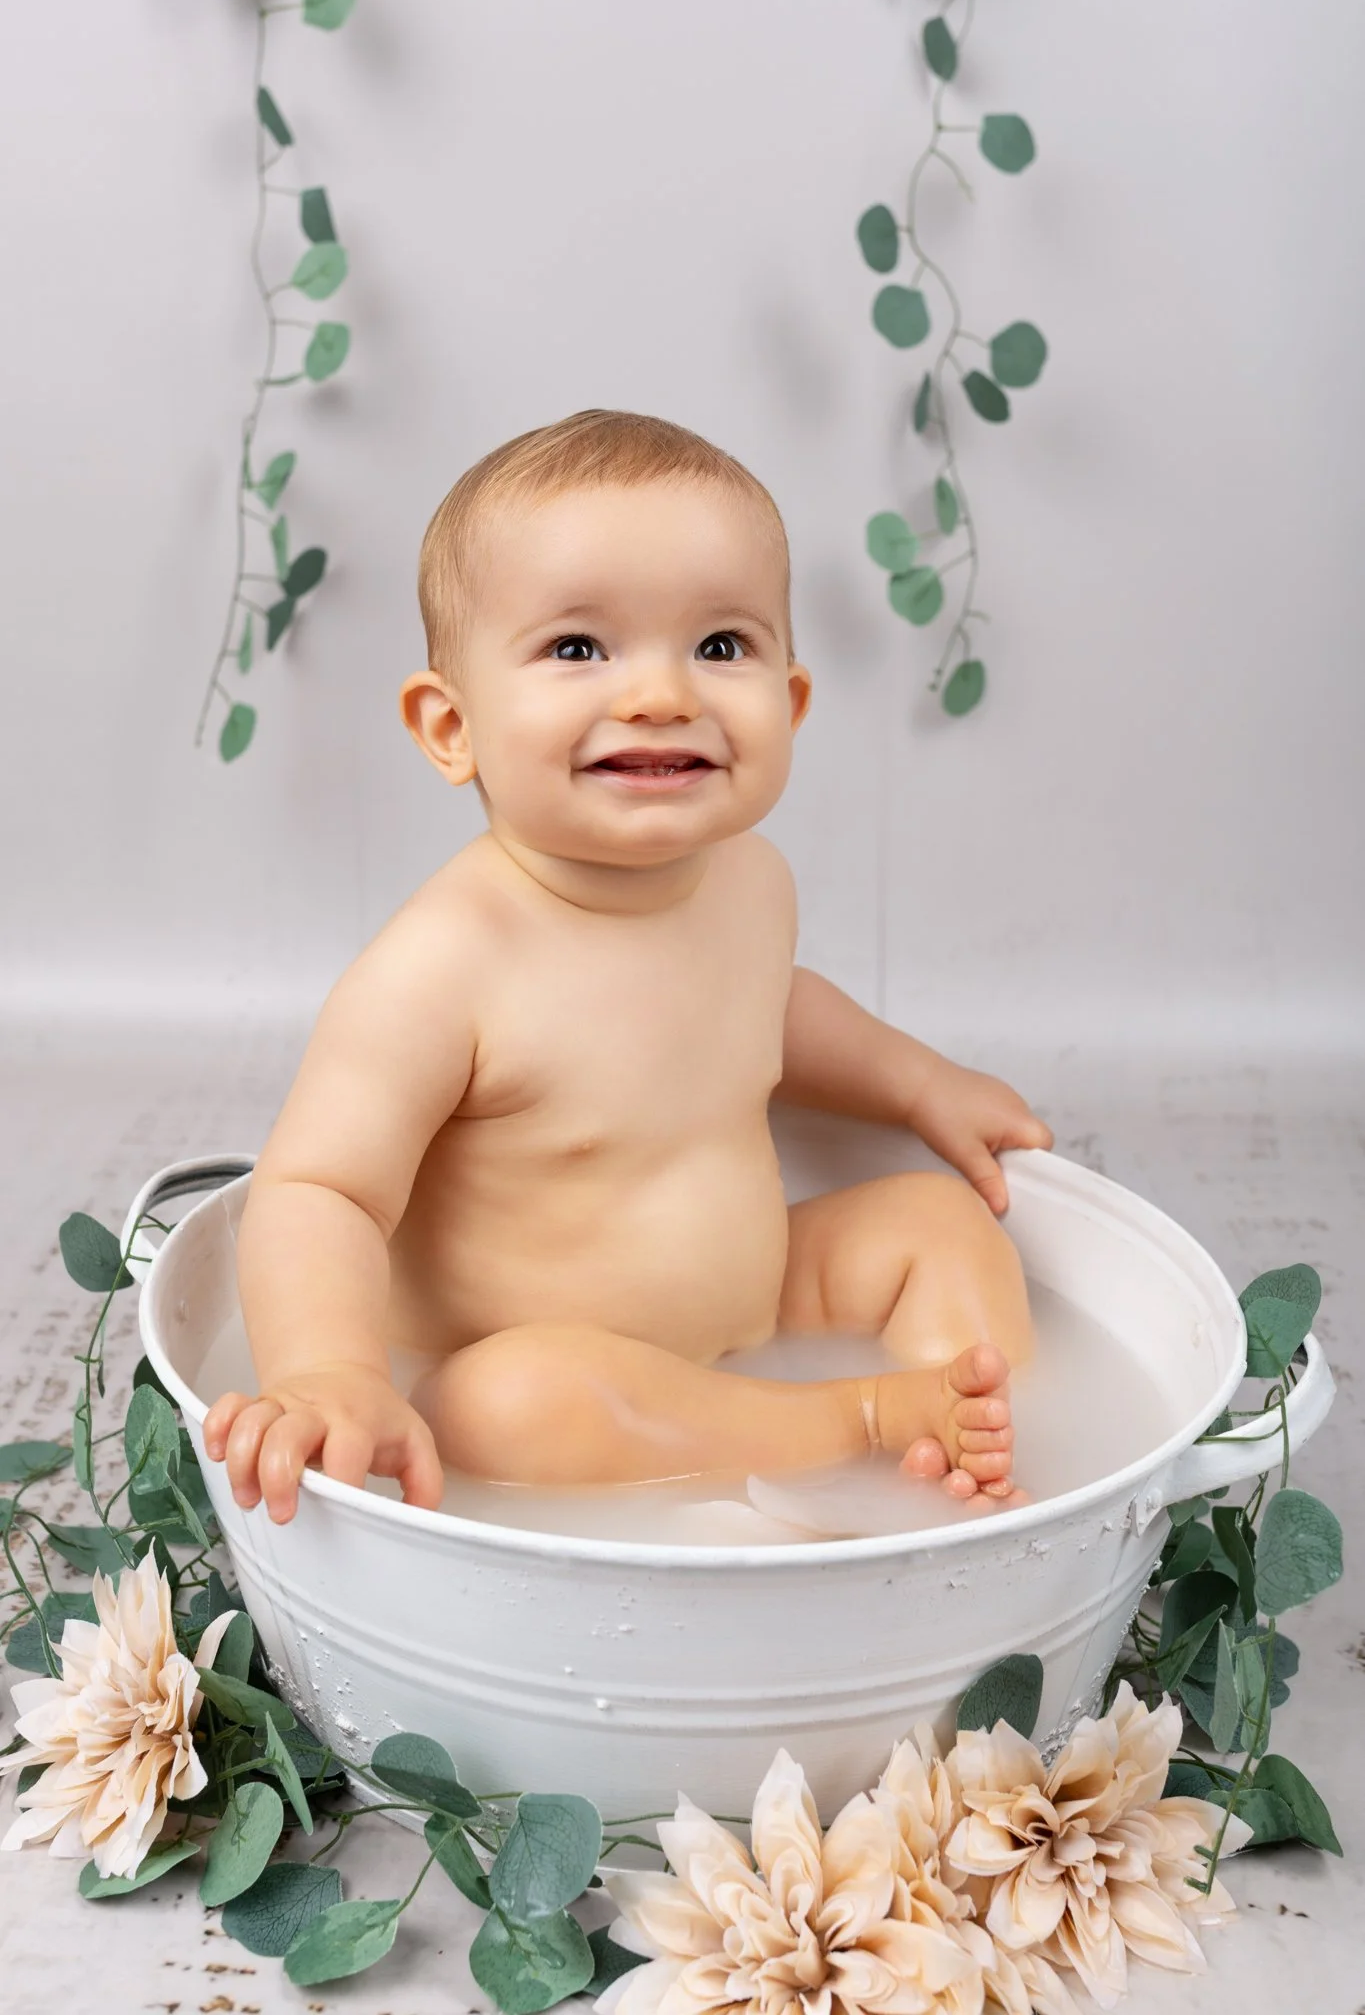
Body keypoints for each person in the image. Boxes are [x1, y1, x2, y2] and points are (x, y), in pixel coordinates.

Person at [204, 411, 1053, 1526]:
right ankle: (856, 1425)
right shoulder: (444, 963)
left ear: (789, 706)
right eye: (577, 648)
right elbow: (319, 1190)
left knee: (940, 1227)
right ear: (451, 725)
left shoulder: (752, 882)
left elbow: (772, 1008)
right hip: (541, 1360)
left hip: (756, 1296)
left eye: (720, 646)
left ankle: (998, 1474)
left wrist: (915, 1080)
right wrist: (331, 1370)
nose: (661, 693)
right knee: (504, 1406)